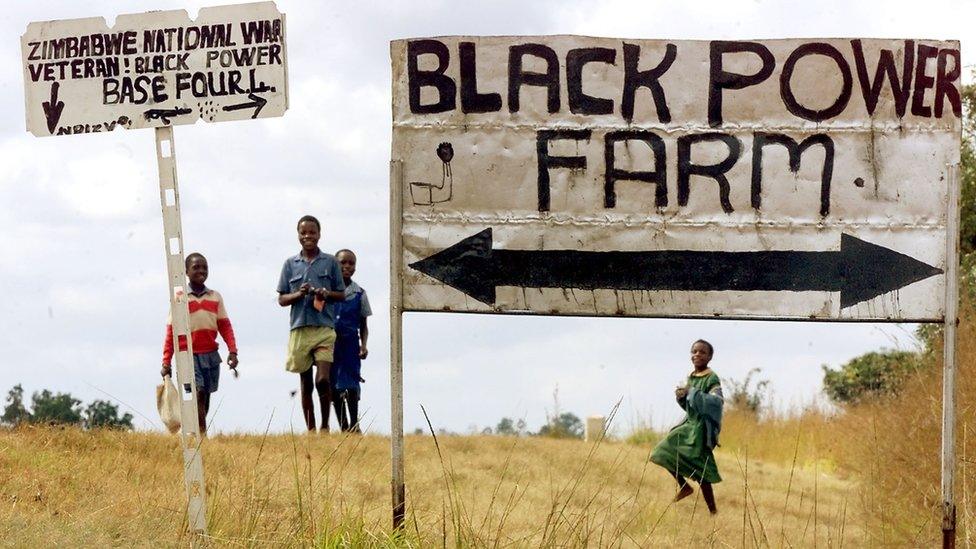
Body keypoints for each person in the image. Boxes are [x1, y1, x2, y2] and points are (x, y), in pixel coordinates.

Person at [277, 215, 345, 432]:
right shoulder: (290, 264)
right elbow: (281, 299)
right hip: (299, 329)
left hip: (324, 328)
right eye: (303, 232)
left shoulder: (330, 262)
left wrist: (326, 293)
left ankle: (325, 426)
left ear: (319, 234)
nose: (308, 236)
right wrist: (299, 293)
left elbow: (341, 294)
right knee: (306, 384)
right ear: (298, 235)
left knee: (323, 380)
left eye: (312, 232)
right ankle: (311, 429)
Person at [160, 253, 239, 436]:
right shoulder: (180, 297)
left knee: (206, 398)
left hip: (210, 355)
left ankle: (195, 431)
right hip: (188, 355)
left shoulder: (215, 297)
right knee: (199, 392)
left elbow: (225, 326)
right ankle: (202, 435)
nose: (201, 271)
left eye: (204, 267)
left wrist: (232, 351)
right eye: (196, 267)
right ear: (186, 272)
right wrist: (166, 361)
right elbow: (171, 331)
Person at [650, 339, 724, 514]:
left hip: (700, 430)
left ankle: (713, 511)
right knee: (663, 450)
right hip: (689, 424)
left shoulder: (712, 377)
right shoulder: (691, 377)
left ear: (710, 356)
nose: (697, 355)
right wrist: (682, 397)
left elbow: (717, 402)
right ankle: (684, 486)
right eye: (694, 351)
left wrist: (692, 393)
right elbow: (690, 406)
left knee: (702, 472)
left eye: (702, 352)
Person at [330, 249, 372, 432]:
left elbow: (363, 324)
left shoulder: (360, 293)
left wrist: (364, 345)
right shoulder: (327, 291)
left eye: (351, 263)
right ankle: (343, 427)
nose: (347, 267)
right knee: (334, 386)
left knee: (352, 384)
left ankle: (355, 425)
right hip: (330, 344)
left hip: (350, 344)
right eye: (343, 263)